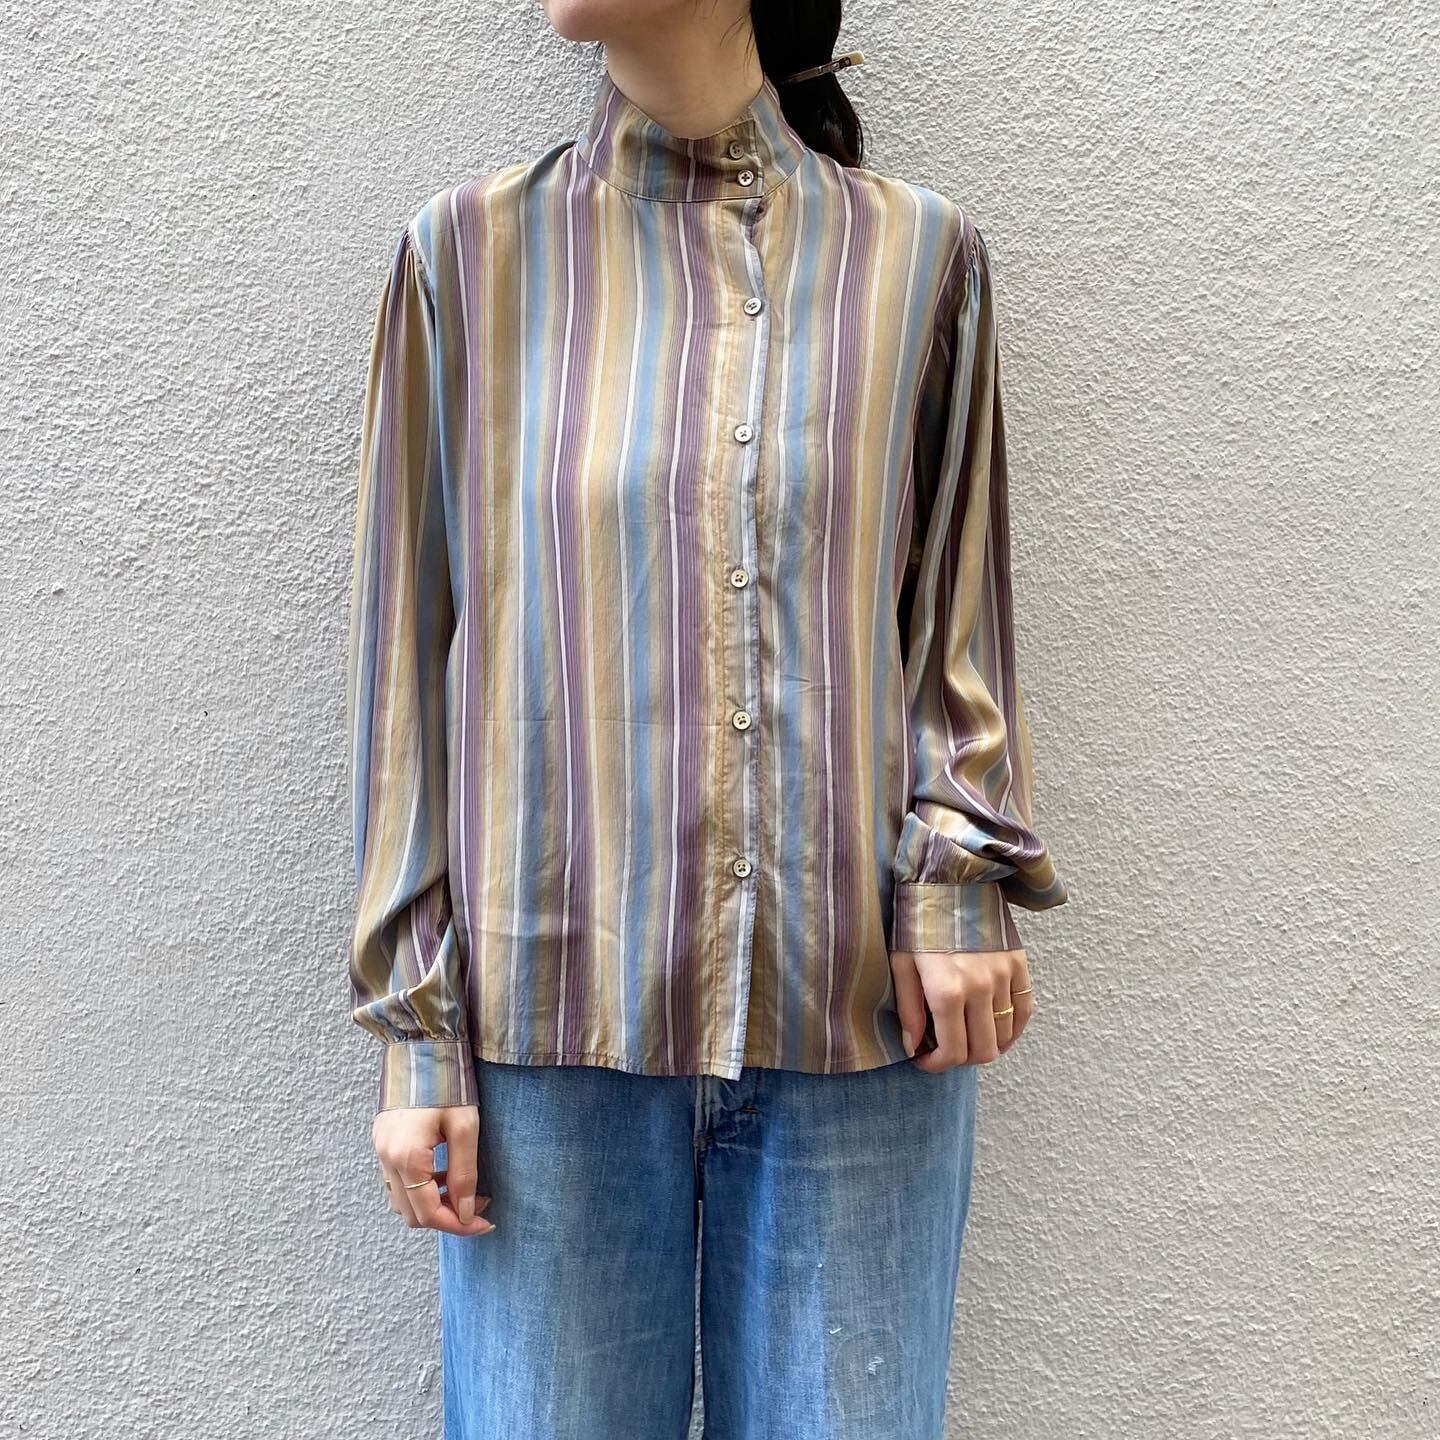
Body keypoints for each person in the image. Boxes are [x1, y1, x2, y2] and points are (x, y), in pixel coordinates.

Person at [345, 2, 1068, 1435]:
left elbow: (958, 619)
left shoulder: (918, 257)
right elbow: (405, 670)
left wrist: (958, 882)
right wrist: (417, 1030)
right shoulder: (467, 259)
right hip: (549, 1038)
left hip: (857, 1022)